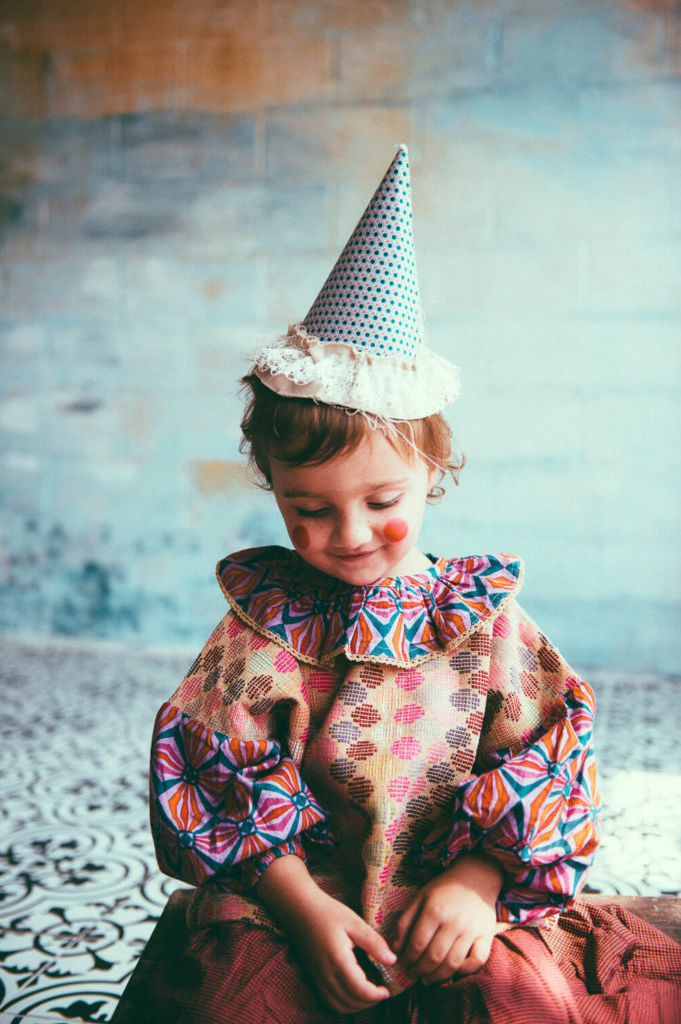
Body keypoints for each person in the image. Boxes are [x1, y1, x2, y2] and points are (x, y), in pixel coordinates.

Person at [148, 148, 681, 1023]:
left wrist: (476, 883)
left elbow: (548, 753)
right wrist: (305, 907)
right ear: (271, 487)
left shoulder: (483, 625)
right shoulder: (257, 630)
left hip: (448, 899)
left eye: (381, 501)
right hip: (290, 897)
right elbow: (213, 767)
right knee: (228, 1005)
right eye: (306, 508)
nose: (347, 537)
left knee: (516, 1000)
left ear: (432, 472)